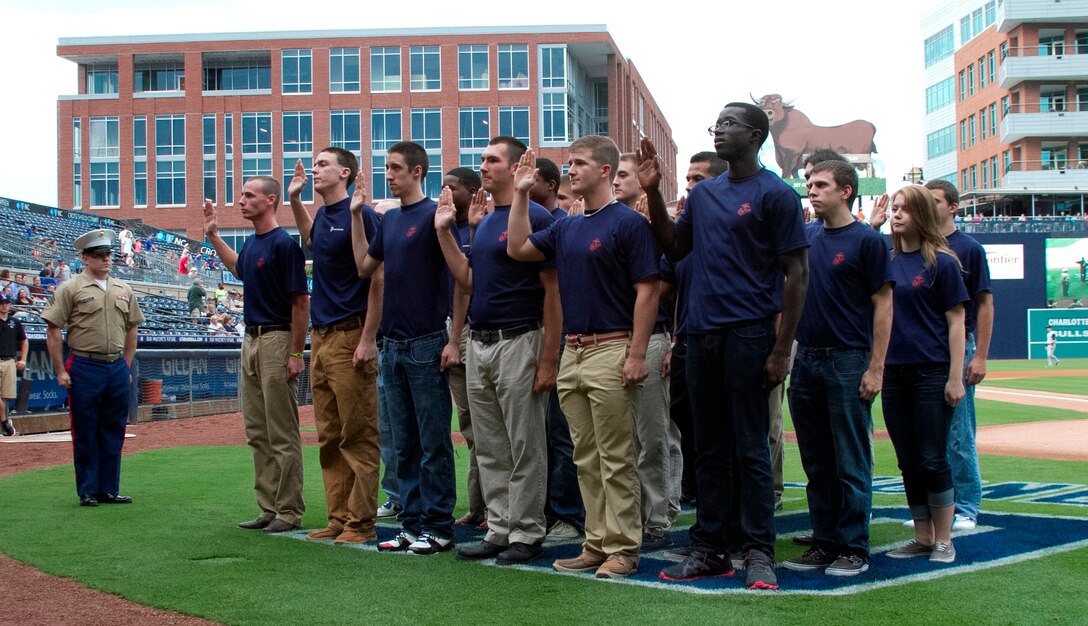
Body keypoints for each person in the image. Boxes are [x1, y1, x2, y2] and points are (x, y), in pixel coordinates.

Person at [642, 103, 809, 591]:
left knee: (750, 447)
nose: (719, 130)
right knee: (708, 448)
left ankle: (758, 550)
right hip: (700, 335)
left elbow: (797, 274)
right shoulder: (705, 196)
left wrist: (780, 349)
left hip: (749, 334)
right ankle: (710, 547)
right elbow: (675, 248)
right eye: (716, 123)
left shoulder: (776, 194)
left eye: (730, 124)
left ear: (756, 135)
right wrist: (653, 193)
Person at [506, 138, 660, 580]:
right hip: (573, 352)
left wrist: (635, 354)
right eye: (570, 163)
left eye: (580, 163)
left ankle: (624, 549)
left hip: (611, 348)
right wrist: (519, 193)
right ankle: (596, 543)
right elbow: (518, 249)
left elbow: (647, 290)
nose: (571, 170)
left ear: (606, 170)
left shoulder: (629, 223)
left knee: (616, 456)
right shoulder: (568, 225)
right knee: (585, 457)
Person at [437, 137, 559, 565]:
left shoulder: (538, 215)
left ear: (515, 167)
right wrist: (444, 232)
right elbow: (467, 281)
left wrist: (548, 359)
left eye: (492, 160)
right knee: (489, 445)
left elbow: (553, 292)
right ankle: (500, 527)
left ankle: (526, 532)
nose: (483, 166)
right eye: (482, 159)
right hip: (481, 341)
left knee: (524, 443)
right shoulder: (486, 221)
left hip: (520, 339)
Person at [780, 160, 893, 577]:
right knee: (816, 459)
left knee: (850, 459)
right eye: (810, 183)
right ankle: (824, 541)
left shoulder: (868, 241)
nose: (812, 189)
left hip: (848, 358)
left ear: (846, 190)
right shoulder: (806, 237)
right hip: (806, 356)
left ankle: (853, 547)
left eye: (822, 184)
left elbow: (884, 305)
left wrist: (876, 367)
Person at [349, 141, 459, 556]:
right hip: (392, 346)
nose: (389, 174)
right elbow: (364, 267)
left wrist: (454, 338)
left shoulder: (436, 216)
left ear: (417, 171)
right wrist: (357, 213)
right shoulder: (391, 220)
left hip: (426, 342)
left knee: (433, 441)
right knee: (406, 444)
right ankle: (412, 525)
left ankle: (438, 525)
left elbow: (460, 280)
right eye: (387, 168)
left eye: (396, 168)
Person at [288, 149, 384, 545]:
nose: (315, 168)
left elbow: (378, 279)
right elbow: (312, 238)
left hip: (350, 334)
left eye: (324, 163)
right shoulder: (325, 216)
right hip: (323, 336)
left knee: (357, 431)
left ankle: (361, 521)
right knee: (328, 433)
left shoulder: (363, 214)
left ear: (345, 172)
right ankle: (339, 516)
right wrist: (294, 199)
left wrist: (367, 338)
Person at [203, 178, 309, 534]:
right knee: (257, 431)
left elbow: (300, 302)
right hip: (249, 339)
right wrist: (214, 236)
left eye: (249, 195)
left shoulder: (284, 245)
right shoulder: (252, 244)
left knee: (281, 431)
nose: (242, 201)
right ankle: (268, 507)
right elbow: (240, 270)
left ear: (271, 200)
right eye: (243, 195)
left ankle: (289, 510)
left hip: (277, 338)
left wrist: (296, 351)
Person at [882, 185, 968, 565]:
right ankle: (922, 535)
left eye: (904, 209)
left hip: (931, 373)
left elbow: (956, 321)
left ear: (921, 214)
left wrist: (954, 377)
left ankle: (944, 540)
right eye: (894, 209)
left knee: (933, 457)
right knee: (908, 459)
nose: (896, 215)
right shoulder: (886, 262)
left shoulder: (943, 263)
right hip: (893, 375)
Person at [42, 229, 144, 507]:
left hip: (115, 366)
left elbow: (132, 327)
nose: (106, 260)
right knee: (85, 429)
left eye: (109, 254)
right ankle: (87, 489)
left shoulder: (123, 289)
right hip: (85, 363)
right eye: (99, 256)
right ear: (85, 259)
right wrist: (61, 369)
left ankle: (109, 488)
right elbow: (53, 328)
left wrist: (126, 361)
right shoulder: (70, 288)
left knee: (114, 428)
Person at [926, 179, 993, 532]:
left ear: (953, 206)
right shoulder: (918, 247)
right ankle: (936, 508)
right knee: (929, 433)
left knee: (959, 432)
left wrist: (979, 355)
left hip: (959, 344)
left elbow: (984, 303)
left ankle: (966, 506)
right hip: (924, 348)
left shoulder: (968, 248)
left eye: (935, 200)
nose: (930, 205)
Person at [528, 156, 587, 539]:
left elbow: (558, 290)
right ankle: (546, 508)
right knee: (538, 434)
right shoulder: (531, 221)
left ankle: (568, 513)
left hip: (565, 338)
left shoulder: (558, 224)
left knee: (562, 432)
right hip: (531, 336)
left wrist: (551, 357)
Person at [439, 166, 488, 530]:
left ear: (472, 191)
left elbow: (466, 285)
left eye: (450, 187)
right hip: (449, 331)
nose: (444, 192)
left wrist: (457, 338)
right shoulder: (444, 227)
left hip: (477, 329)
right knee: (470, 427)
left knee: (488, 426)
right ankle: (478, 506)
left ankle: (494, 508)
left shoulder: (482, 225)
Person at [0, 294, 28, 437]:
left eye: (6, 302)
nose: (4, 305)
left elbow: (24, 340)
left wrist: (23, 359)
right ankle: (5, 423)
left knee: (5, 396)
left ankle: (4, 426)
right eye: (2, 302)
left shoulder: (14, 322)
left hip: (9, 360)